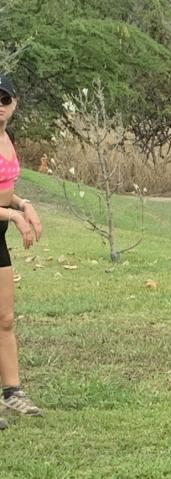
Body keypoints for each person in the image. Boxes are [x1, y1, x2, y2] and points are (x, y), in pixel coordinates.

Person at [0, 74, 43, 431]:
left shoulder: (8, 138)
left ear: (14, 104)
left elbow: (5, 189)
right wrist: (13, 215)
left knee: (5, 318)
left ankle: (12, 392)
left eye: (4, 99)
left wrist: (23, 204)